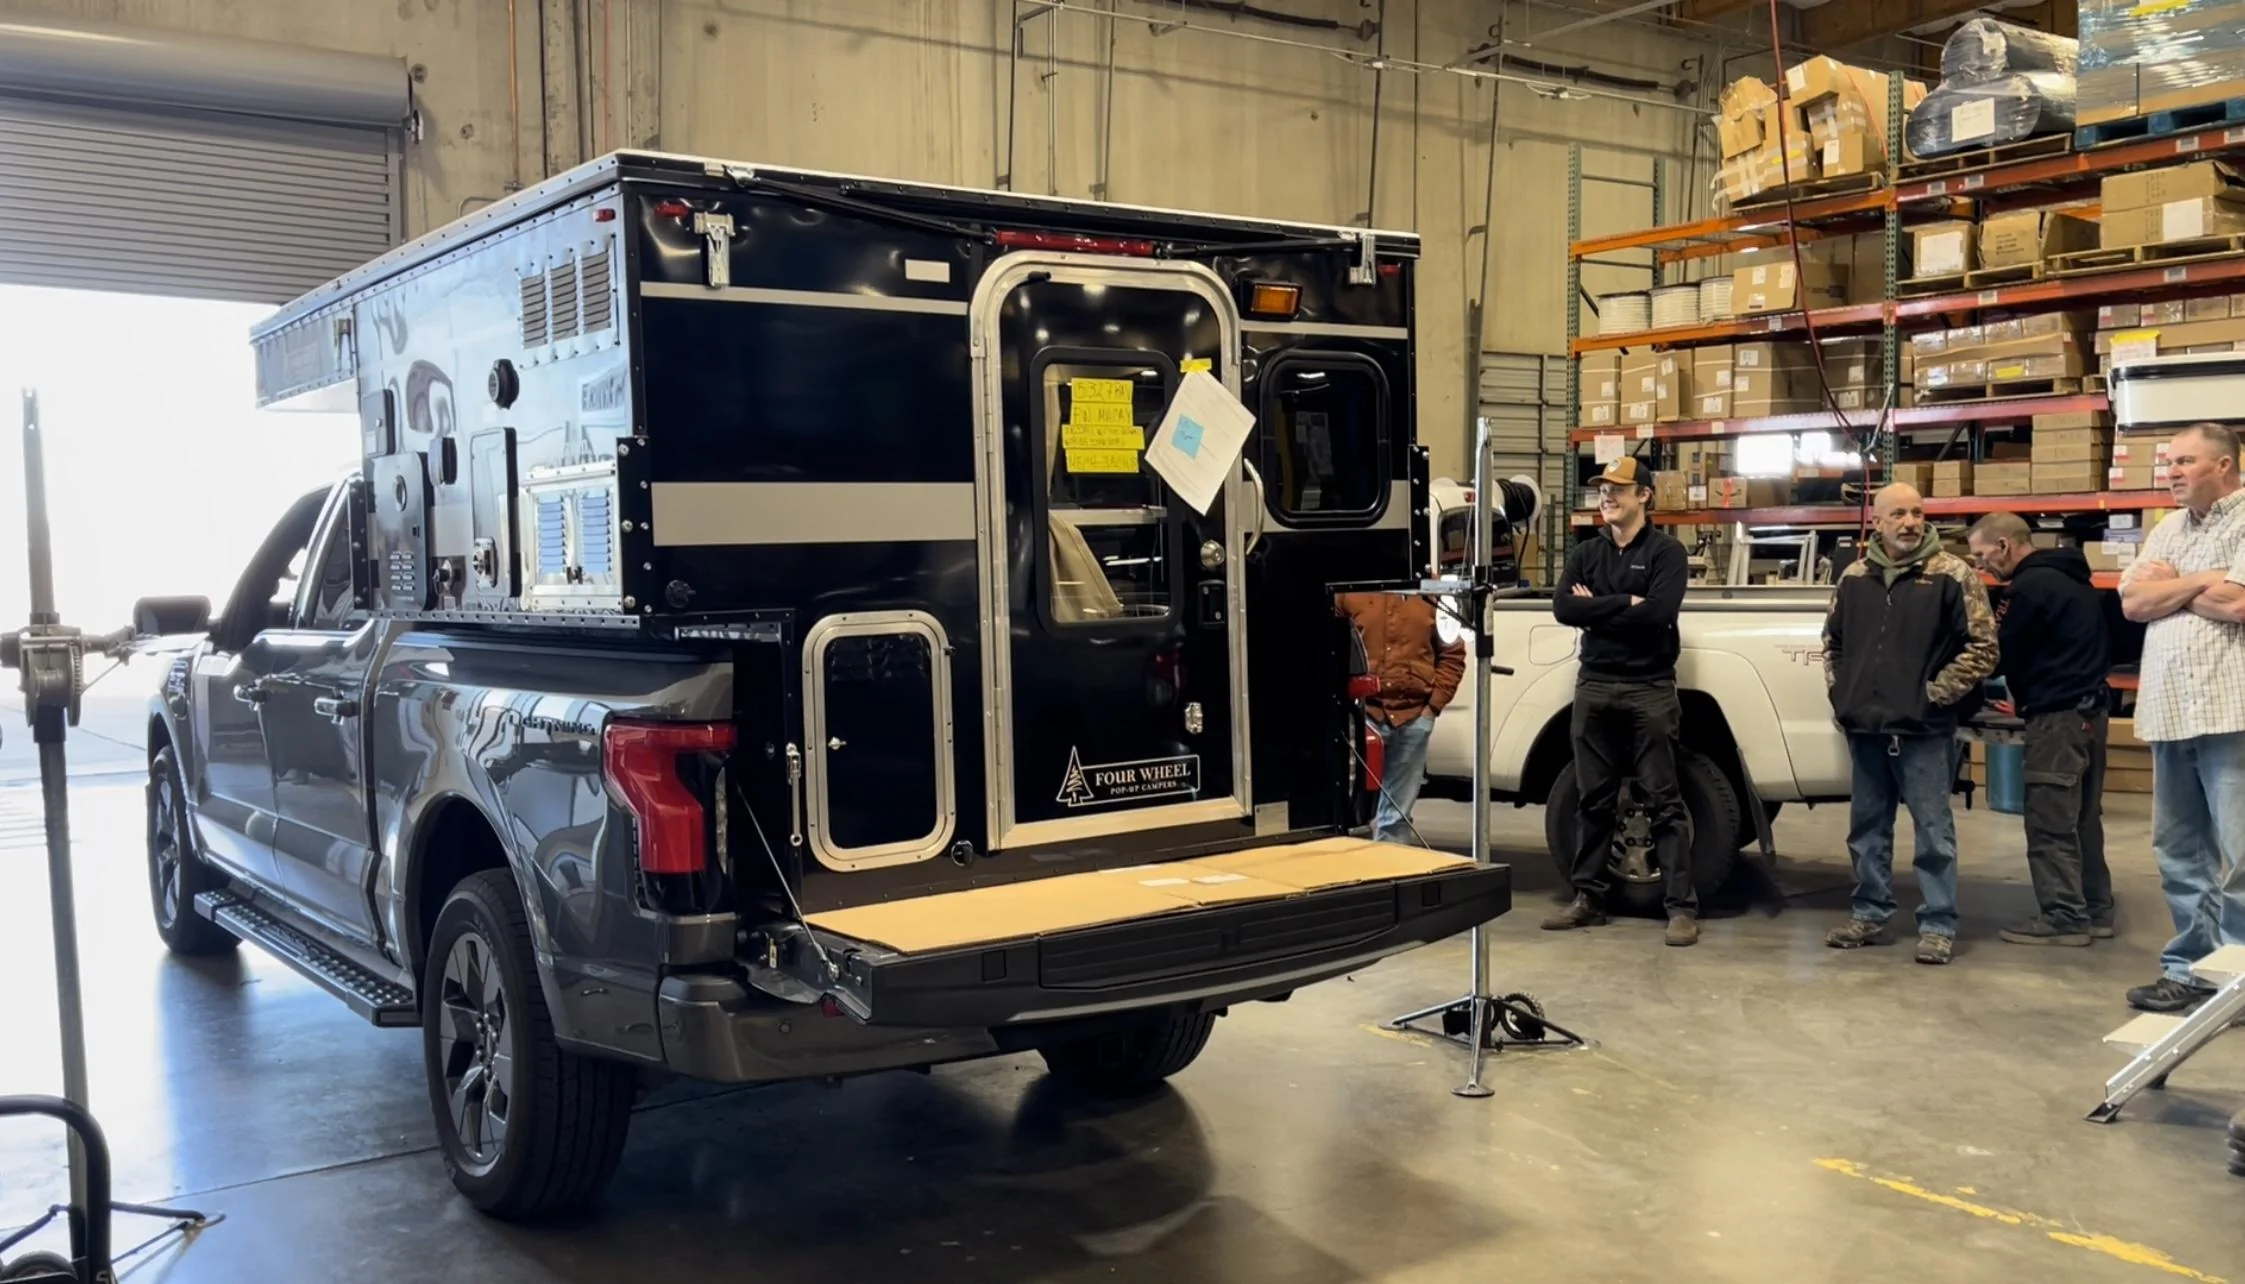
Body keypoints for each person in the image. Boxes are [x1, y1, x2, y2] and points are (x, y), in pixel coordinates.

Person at [1823, 482, 1999, 965]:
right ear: (1876, 523)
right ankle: (1870, 914)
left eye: (1917, 512)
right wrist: (1842, 695)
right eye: (1898, 514)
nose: (1910, 522)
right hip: (1866, 727)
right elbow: (1832, 643)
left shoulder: (1952, 574)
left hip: (1924, 730)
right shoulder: (1854, 578)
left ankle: (1939, 923)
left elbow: (1983, 647)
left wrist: (1932, 696)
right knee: (1866, 828)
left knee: (1933, 831)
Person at [2113, 422, 2245, 1013]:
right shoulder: (2167, 527)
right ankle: (2191, 970)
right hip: (2169, 712)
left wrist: (2176, 586)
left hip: (2231, 712)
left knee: (2241, 854)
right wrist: (2204, 582)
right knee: (2179, 851)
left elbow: (2240, 603)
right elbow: (2133, 602)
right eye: (2168, 462)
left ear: (2224, 465)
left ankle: (2238, 981)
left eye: (2185, 461)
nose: (2171, 471)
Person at [1542, 456, 1697, 945]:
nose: (1607, 497)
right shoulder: (1587, 552)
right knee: (1593, 800)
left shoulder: (1666, 553)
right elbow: (1564, 607)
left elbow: (1658, 616)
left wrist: (1596, 609)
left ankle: (1680, 908)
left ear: (1644, 496)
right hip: (1594, 685)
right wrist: (1622, 602)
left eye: (1618, 489)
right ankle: (1588, 898)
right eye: (1603, 490)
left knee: (1664, 802)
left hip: (1648, 688)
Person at [1965, 512, 2116, 947]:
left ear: (2005, 546)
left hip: (2057, 720)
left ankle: (2064, 918)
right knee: (2083, 817)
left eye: (1982, 555)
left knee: (2050, 821)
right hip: (2090, 712)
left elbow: (1998, 653)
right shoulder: (2074, 579)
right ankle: (2096, 909)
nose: (1981, 566)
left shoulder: (2027, 589)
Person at [1336, 591, 1465, 844]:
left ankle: (1389, 875)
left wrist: (1431, 709)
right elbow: (1330, 652)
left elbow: (1452, 655)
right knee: (1343, 813)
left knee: (1396, 819)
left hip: (1413, 718)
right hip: (1361, 716)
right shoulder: (1347, 592)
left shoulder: (1433, 593)